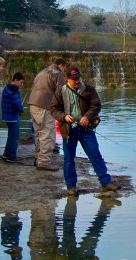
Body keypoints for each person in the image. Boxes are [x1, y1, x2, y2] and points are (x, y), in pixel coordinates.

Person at [52, 66, 119, 196]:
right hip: (68, 130)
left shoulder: (89, 89)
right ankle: (71, 187)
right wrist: (64, 117)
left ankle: (106, 183)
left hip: (86, 129)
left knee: (95, 155)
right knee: (69, 159)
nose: (77, 81)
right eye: (74, 79)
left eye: (78, 78)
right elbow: (54, 109)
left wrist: (87, 117)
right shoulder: (61, 90)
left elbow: (96, 105)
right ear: (67, 79)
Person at [28, 57, 68, 171]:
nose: (64, 70)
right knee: (47, 133)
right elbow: (62, 92)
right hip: (44, 106)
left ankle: (38, 158)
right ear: (61, 65)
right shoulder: (58, 73)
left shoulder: (42, 72)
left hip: (32, 104)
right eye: (64, 68)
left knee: (38, 133)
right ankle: (44, 162)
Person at [1, 72, 25, 162]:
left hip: (6, 117)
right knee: (15, 137)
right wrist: (21, 109)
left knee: (10, 136)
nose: (21, 85)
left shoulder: (6, 88)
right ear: (15, 80)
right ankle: (11, 156)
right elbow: (17, 104)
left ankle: (6, 154)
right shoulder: (14, 90)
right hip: (12, 117)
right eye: (21, 82)